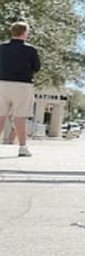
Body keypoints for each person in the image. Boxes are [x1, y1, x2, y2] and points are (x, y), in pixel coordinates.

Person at [0, 21, 41, 157]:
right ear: (25, 33)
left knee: (1, 115)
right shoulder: (30, 50)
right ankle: (22, 147)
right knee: (20, 117)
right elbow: (36, 67)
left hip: (2, 83)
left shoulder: (2, 48)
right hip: (23, 85)